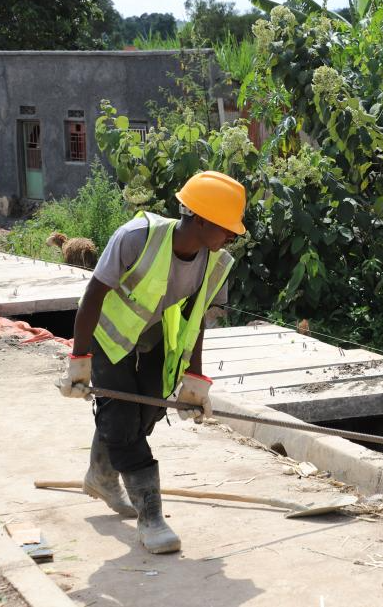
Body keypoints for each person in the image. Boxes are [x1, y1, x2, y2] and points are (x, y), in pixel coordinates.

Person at [58, 171, 246, 554]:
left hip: (156, 340)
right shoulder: (137, 238)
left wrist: (195, 379)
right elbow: (93, 296)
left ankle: (101, 475)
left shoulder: (217, 263)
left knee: (144, 415)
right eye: (227, 227)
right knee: (122, 420)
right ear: (201, 219)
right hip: (109, 337)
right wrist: (79, 359)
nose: (232, 236)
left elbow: (197, 320)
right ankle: (151, 518)